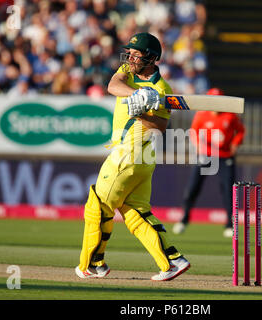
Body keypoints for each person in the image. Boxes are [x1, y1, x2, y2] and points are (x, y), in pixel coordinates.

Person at [75, 32, 190, 281]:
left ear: (151, 58)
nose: (130, 57)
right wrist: (136, 96)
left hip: (131, 152)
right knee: (136, 213)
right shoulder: (128, 70)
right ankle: (172, 261)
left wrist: (143, 114)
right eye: (129, 53)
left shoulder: (162, 89)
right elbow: (112, 85)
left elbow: (160, 126)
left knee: (98, 206)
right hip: (140, 159)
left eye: (136, 54)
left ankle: (91, 264)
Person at [173, 88, 245, 238]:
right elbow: (194, 132)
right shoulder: (202, 115)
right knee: (193, 187)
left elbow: (241, 131)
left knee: (228, 190)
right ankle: (184, 219)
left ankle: (229, 224)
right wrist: (200, 146)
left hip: (225, 156)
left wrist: (236, 143)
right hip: (205, 156)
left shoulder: (230, 116)